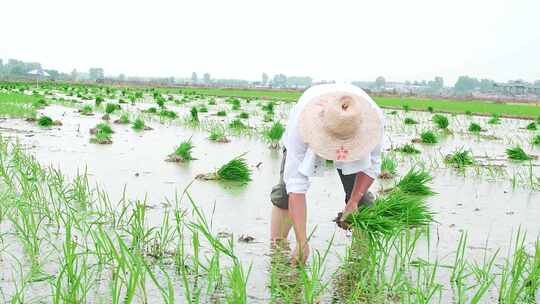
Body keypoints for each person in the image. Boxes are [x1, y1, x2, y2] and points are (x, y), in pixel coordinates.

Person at [270, 83, 385, 265]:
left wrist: (353, 201)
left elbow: (372, 165)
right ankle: (277, 252)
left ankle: (360, 261)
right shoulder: (301, 125)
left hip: (353, 131)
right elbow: (295, 185)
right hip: (310, 128)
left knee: (363, 204)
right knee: (285, 194)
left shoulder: (373, 120)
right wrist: (302, 242)